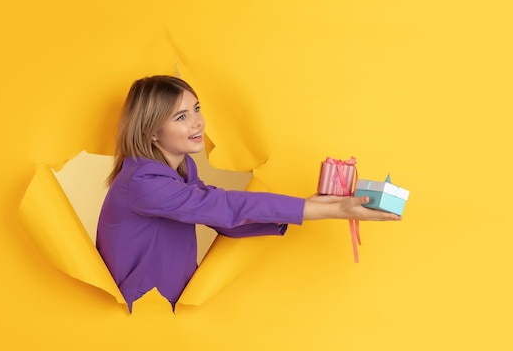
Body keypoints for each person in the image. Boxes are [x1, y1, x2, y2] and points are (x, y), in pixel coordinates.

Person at [96, 75, 401, 312]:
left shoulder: (182, 169)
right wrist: (321, 210)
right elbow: (220, 205)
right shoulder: (142, 181)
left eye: (196, 109)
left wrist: (307, 208)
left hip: (169, 305)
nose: (198, 121)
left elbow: (221, 216)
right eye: (181, 117)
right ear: (151, 131)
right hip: (139, 311)